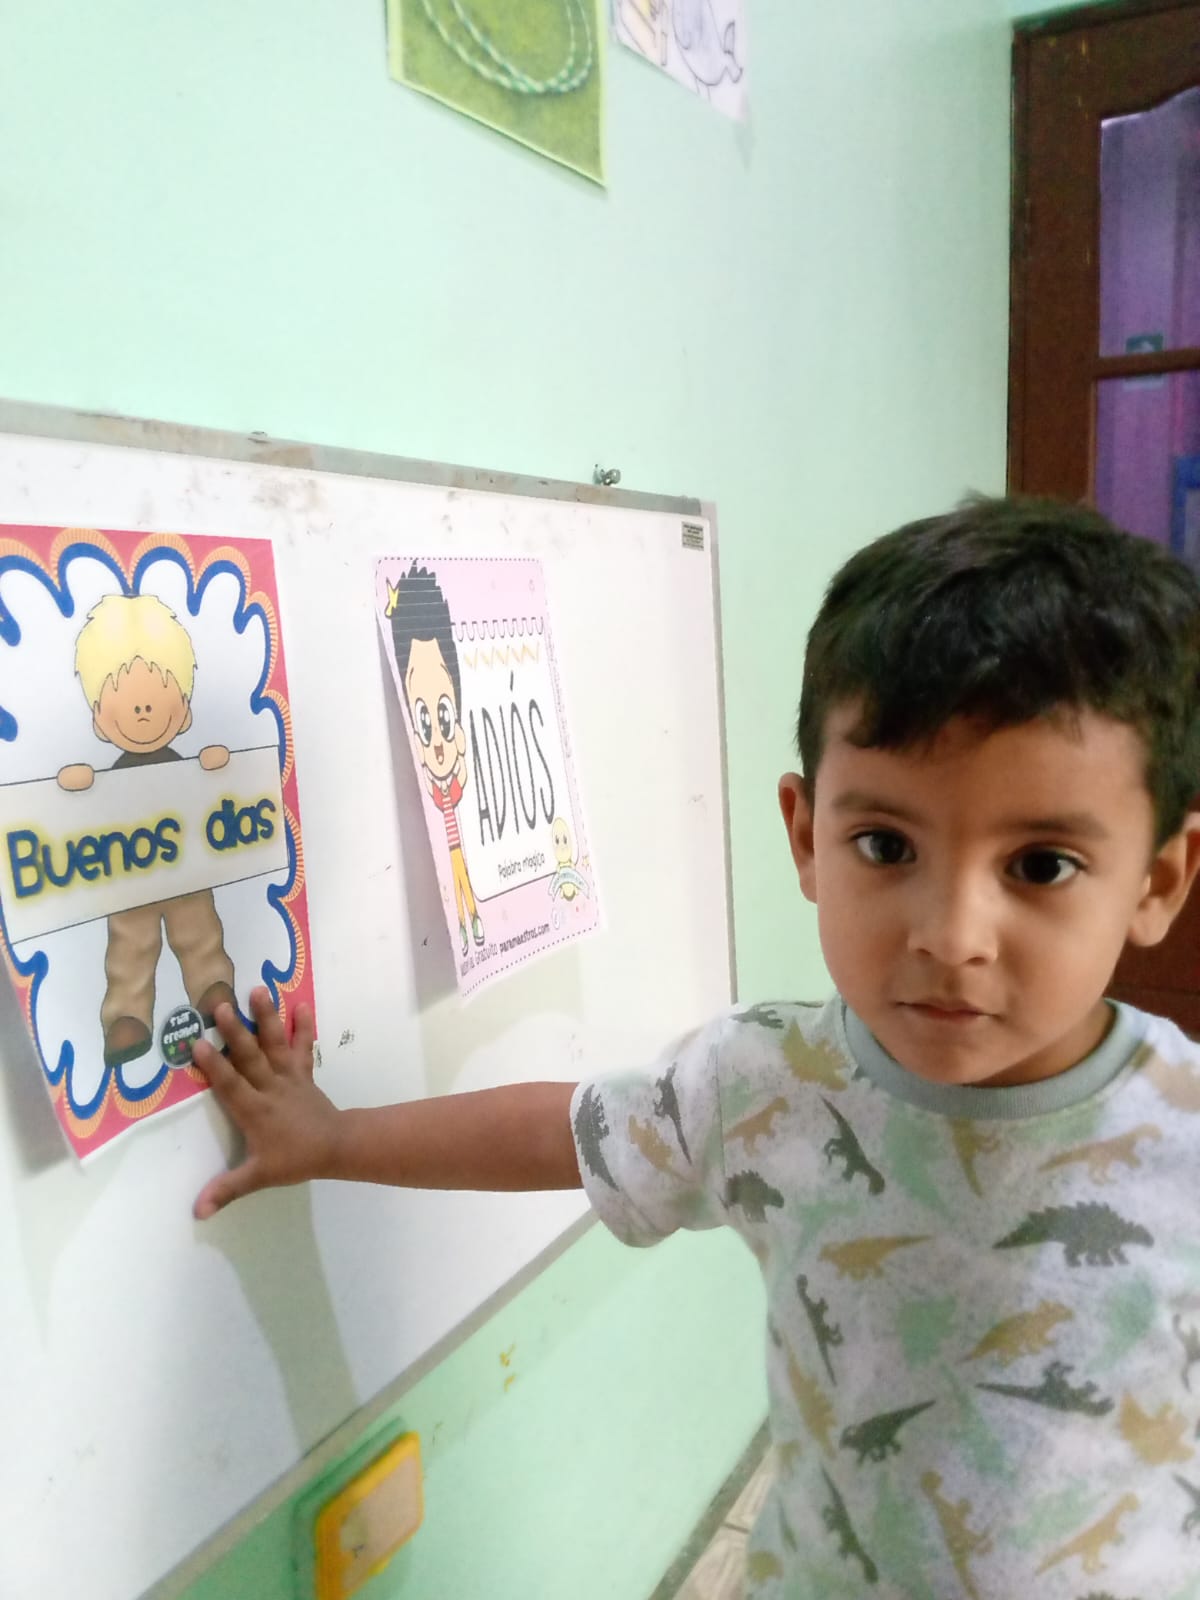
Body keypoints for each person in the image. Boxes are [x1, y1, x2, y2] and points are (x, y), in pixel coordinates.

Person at [193, 497, 1200, 1595]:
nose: (951, 936)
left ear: (1157, 880)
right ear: (806, 835)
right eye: (885, 844)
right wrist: (332, 1137)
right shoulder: (764, 1081)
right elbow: (558, 1131)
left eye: (1041, 865)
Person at [59, 593, 236, 1066]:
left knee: (199, 927)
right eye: (124, 698)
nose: (142, 711)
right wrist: (79, 785)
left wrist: (214, 767)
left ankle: (212, 985)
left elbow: (215, 792)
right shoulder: (110, 776)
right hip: (130, 875)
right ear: (100, 718)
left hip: (185, 868)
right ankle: (127, 1015)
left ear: (183, 710)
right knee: (129, 944)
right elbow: (82, 811)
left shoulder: (184, 766)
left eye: (158, 694)